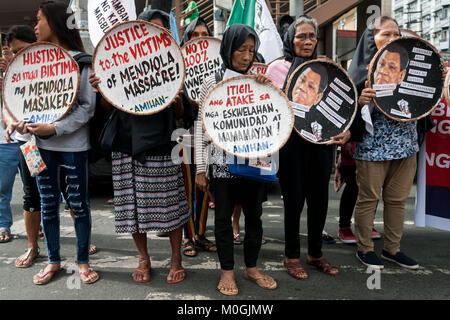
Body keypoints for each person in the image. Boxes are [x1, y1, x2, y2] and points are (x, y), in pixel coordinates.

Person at [90, 9, 192, 284]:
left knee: (171, 205)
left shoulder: (174, 67)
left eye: (158, 32)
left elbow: (186, 115)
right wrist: (103, 89)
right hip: (126, 143)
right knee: (132, 208)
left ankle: (175, 258)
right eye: (145, 29)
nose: (150, 36)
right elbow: (106, 109)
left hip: (162, 143)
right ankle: (143, 258)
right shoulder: (119, 63)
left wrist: (179, 103)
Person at [348, 16, 447, 270]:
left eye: (396, 35)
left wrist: (438, 75)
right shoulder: (360, 71)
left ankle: (393, 249)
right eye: (386, 34)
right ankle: (365, 248)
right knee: (369, 199)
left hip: (406, 145)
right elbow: (344, 115)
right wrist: (361, 101)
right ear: (373, 38)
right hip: (372, 147)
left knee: (397, 200)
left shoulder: (410, 66)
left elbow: (429, 97)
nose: (393, 39)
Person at [19, 1, 99, 285]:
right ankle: (53, 261)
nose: (35, 27)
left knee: (79, 206)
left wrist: (54, 128)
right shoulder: (35, 63)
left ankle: (82, 262)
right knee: (48, 205)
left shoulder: (82, 62)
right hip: (40, 148)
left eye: (39, 20)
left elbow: (87, 109)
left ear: (54, 22)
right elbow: (28, 102)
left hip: (74, 149)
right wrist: (21, 123)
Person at [195, 24, 277, 296]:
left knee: (255, 216)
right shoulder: (212, 82)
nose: (247, 56)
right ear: (228, 48)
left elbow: (275, 115)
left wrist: (270, 89)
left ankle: (251, 268)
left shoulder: (258, 79)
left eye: (251, 50)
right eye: (241, 49)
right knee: (222, 219)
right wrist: (200, 168)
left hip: (254, 161)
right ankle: (227, 271)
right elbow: (200, 127)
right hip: (221, 163)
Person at [267, 15, 350, 280]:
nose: (307, 41)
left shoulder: (326, 67)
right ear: (291, 38)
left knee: (319, 201)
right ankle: (292, 255)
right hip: (291, 146)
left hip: (319, 144)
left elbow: (341, 106)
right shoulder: (277, 68)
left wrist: (345, 131)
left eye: (312, 36)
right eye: (301, 35)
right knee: (294, 201)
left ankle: (315, 254)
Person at [179, 17, 217, 258]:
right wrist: (187, 101)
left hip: (207, 135)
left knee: (204, 184)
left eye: (205, 35)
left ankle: (200, 233)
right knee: (187, 185)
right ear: (187, 39)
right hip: (183, 134)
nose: (201, 40)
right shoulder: (178, 67)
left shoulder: (216, 69)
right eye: (195, 36)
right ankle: (187, 236)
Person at [0, 41, 20, 244]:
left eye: (12, 51)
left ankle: (38, 224)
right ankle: (3, 224)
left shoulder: (23, 67)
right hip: (3, 142)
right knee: (1, 188)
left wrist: (12, 72)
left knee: (37, 188)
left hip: (27, 139)